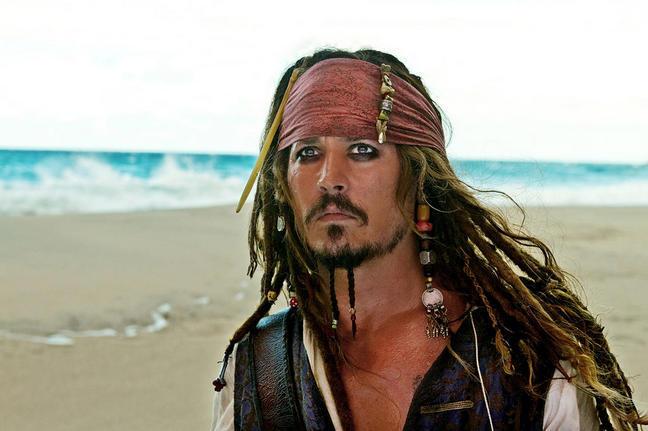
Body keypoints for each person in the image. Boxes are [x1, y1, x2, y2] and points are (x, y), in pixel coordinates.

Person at [210, 49, 646, 430]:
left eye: (363, 149)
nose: (329, 178)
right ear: (283, 186)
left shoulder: (528, 360)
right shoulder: (256, 368)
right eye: (307, 152)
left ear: (418, 176)